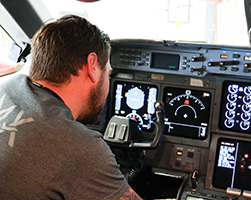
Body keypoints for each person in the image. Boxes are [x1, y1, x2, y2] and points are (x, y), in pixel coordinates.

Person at [0, 15, 143, 199]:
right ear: (92, 66)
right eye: (108, 73)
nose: (107, 83)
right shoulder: (82, 147)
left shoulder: (5, 85)